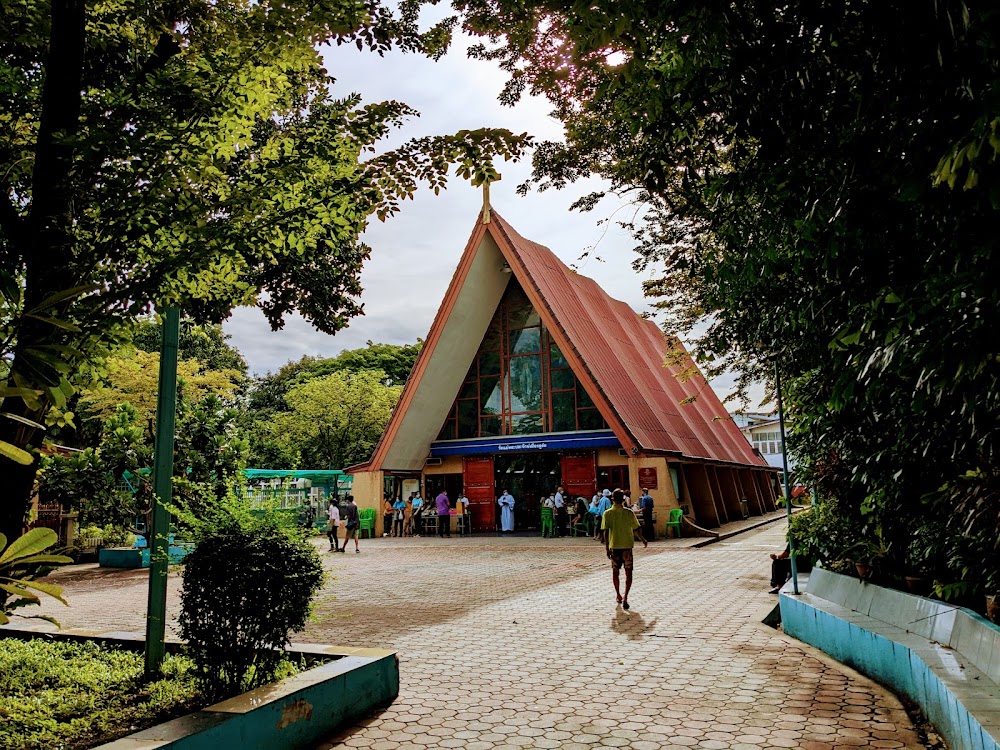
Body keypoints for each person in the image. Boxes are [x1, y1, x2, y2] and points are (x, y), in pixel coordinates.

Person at [602, 489, 647, 609]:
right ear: (623, 499)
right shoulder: (629, 513)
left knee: (615, 572)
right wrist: (642, 539)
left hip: (614, 546)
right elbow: (636, 528)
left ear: (612, 499)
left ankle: (618, 595)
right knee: (628, 573)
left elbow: (605, 532)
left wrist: (607, 548)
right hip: (627, 546)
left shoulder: (607, 513)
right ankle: (626, 596)